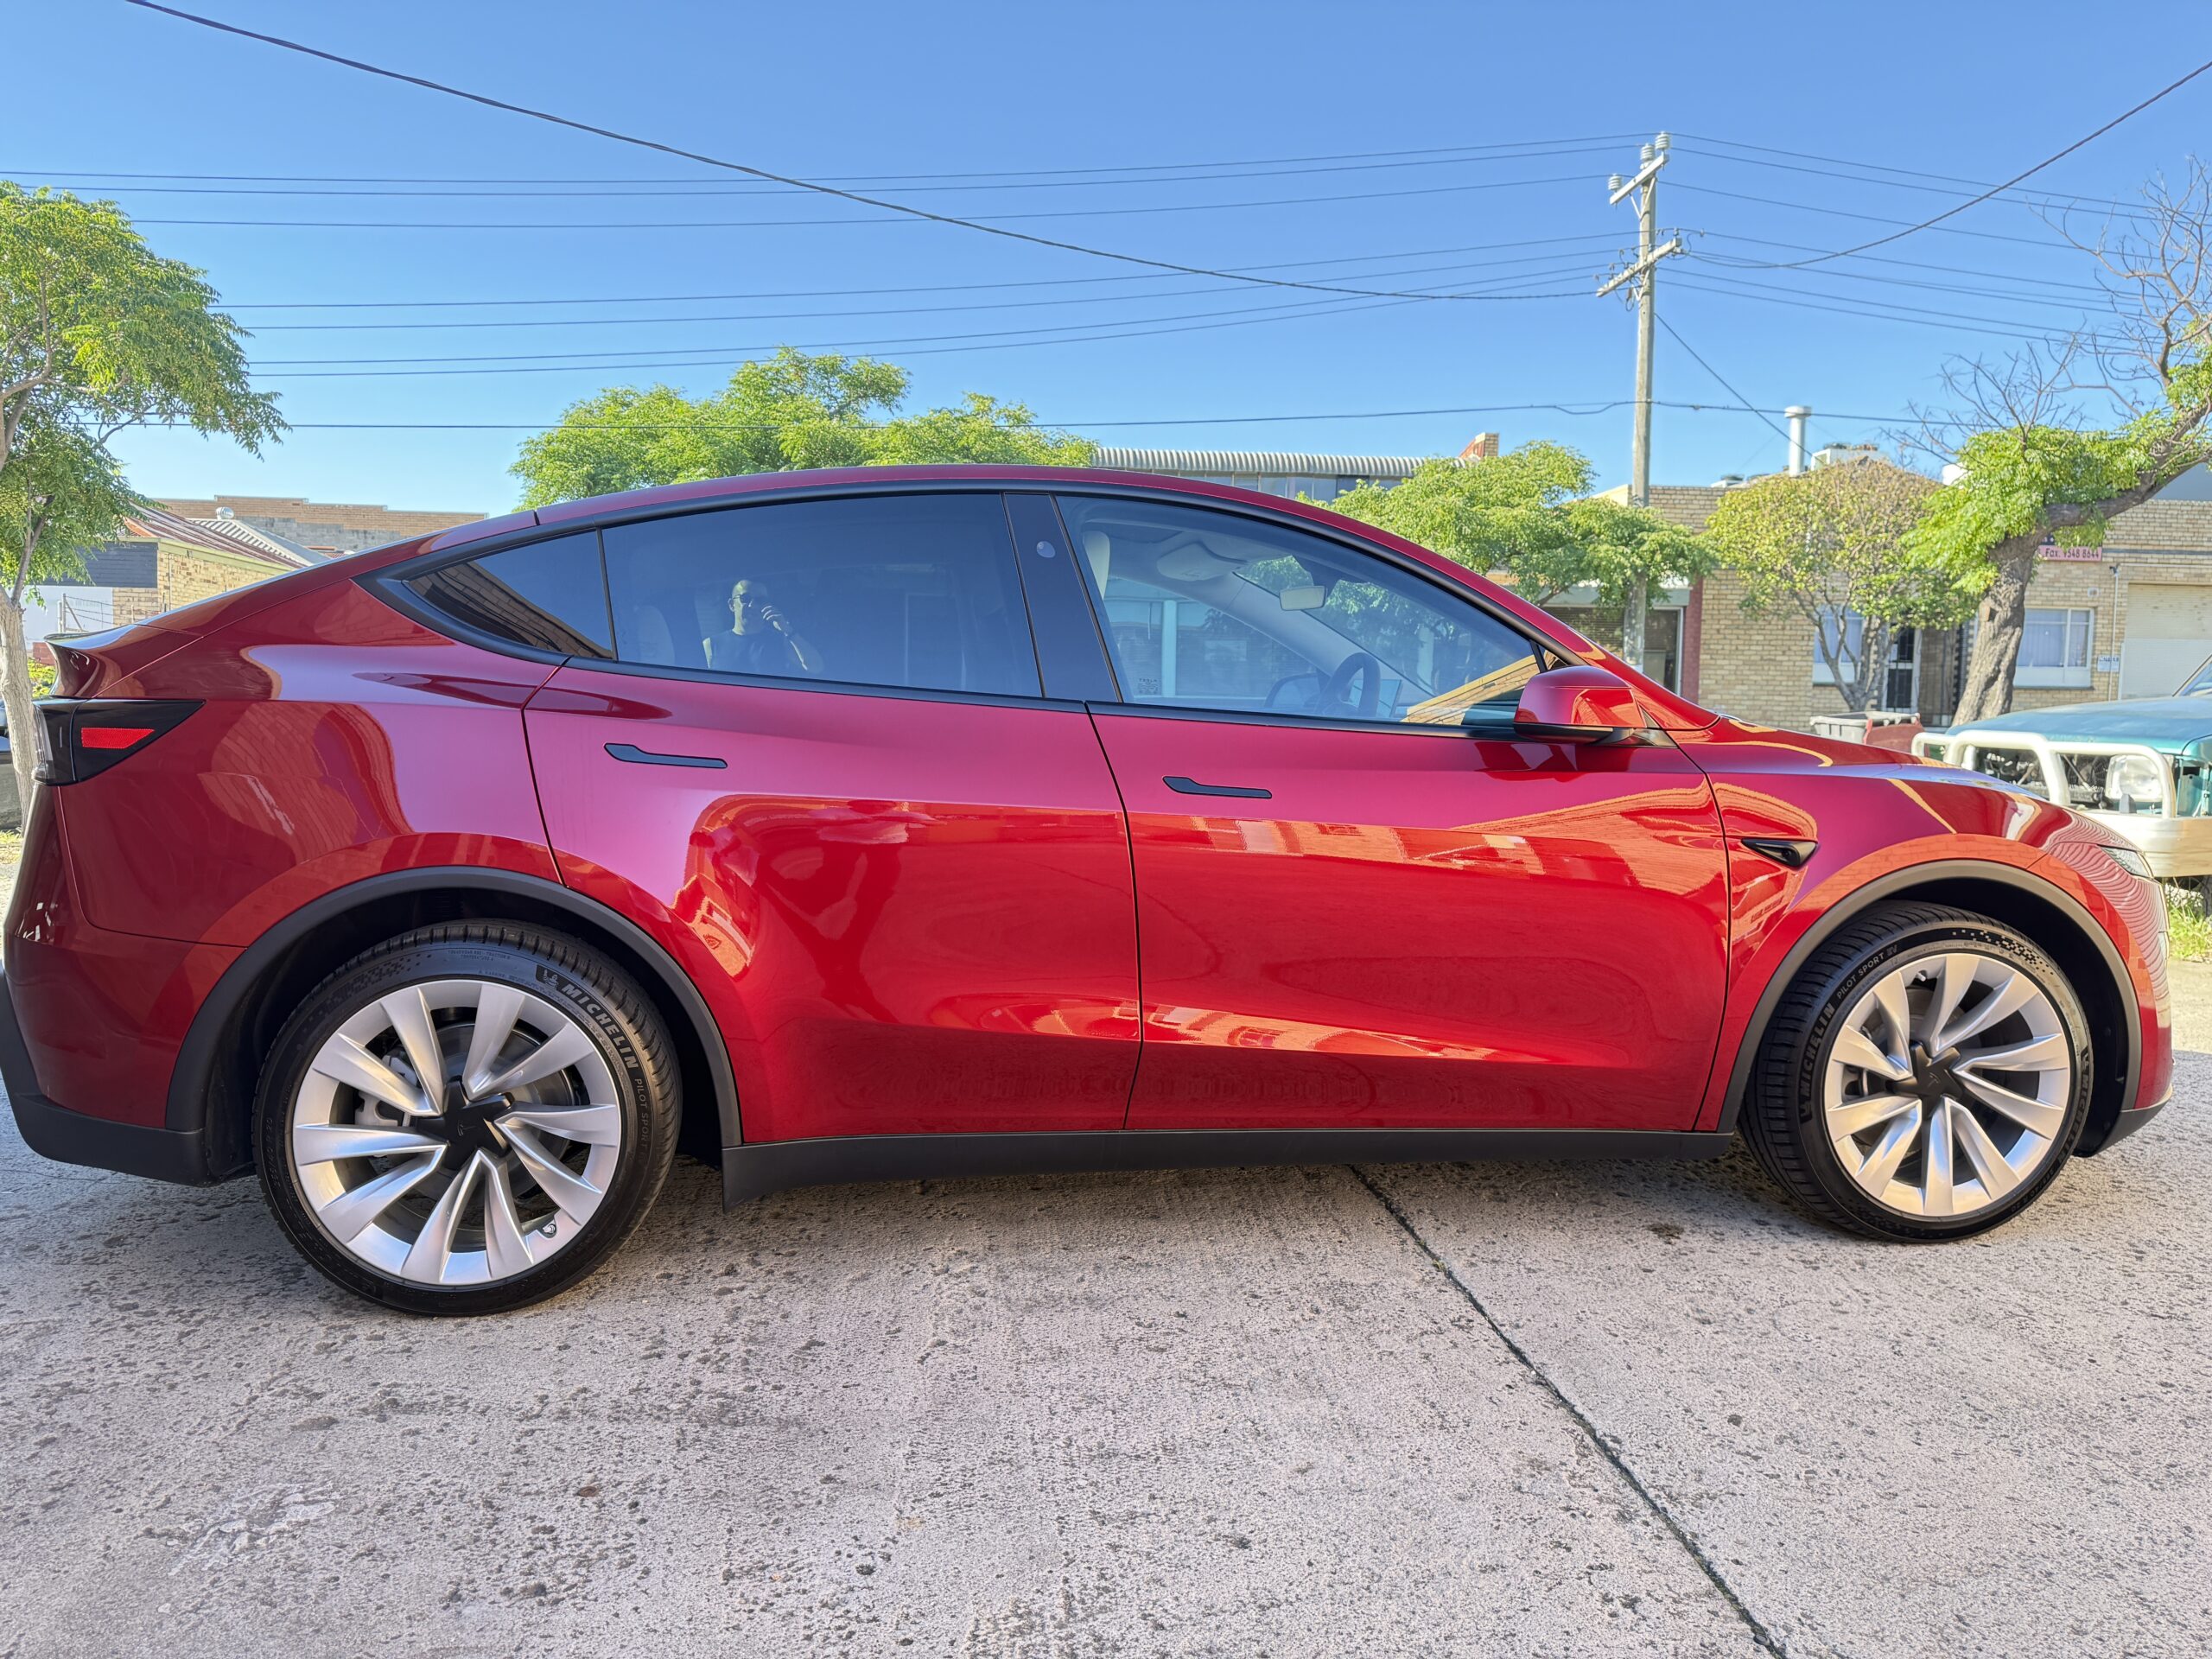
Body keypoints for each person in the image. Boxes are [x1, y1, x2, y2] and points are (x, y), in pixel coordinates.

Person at [705, 577, 825, 677]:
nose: (753, 605)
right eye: (745, 598)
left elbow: (816, 667)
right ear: (732, 605)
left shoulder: (781, 640)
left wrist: (788, 630)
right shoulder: (711, 645)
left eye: (760, 600)